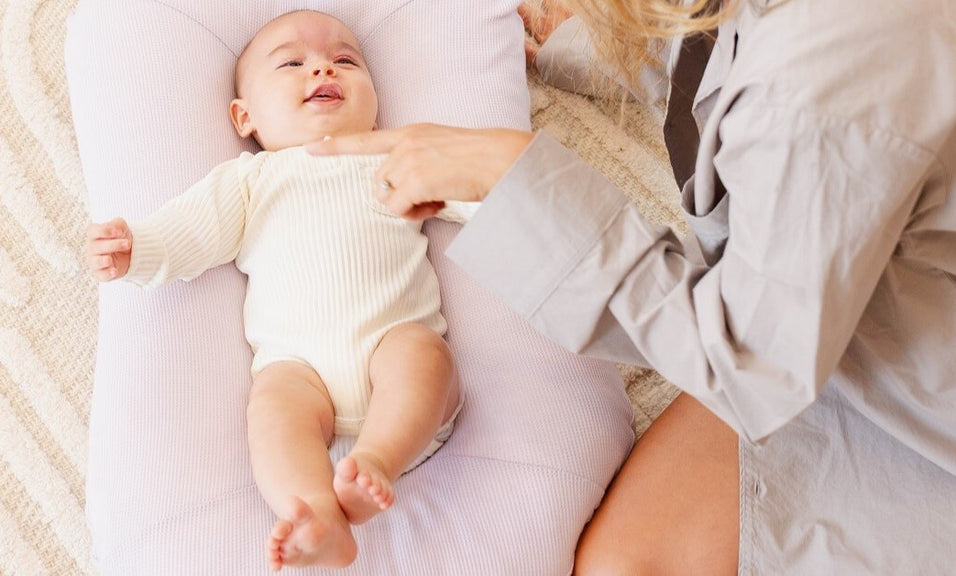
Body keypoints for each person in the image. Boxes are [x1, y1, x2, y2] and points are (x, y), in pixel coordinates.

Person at [307, 0, 956, 573]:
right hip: (818, 310)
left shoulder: (842, 58)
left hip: (892, 394)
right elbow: (724, 75)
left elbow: (749, 358)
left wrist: (519, 182)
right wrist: (605, 49)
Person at [85, 10, 465, 571]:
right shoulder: (251, 180)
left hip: (405, 387)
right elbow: (192, 232)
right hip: (301, 373)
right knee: (272, 404)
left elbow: (480, 193)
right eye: (293, 62)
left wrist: (511, 190)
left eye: (345, 60)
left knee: (423, 351)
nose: (321, 69)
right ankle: (318, 512)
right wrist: (138, 248)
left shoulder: (393, 159)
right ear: (245, 117)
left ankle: (375, 462)